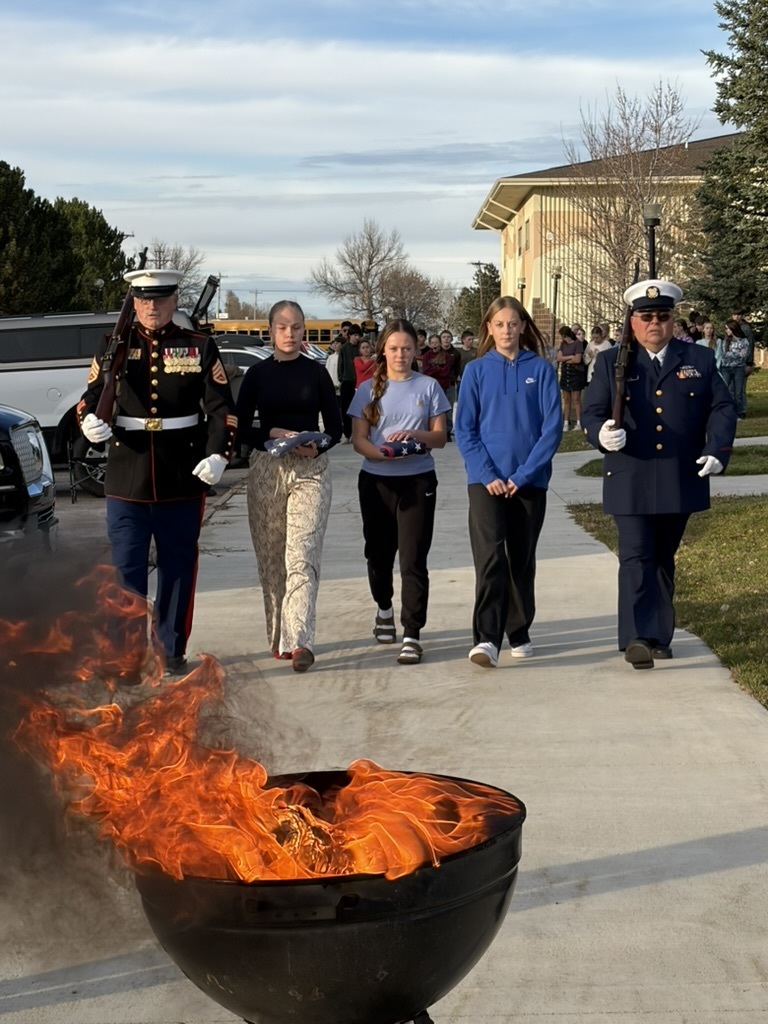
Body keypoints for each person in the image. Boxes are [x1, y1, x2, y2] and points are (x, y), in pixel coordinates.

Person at [78, 268, 238, 678]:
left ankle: (170, 650)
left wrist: (219, 453)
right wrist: (87, 422)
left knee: (177, 568)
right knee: (125, 571)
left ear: (174, 300)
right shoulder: (113, 345)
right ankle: (126, 656)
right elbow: (90, 396)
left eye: (161, 299)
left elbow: (221, 408)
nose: (152, 307)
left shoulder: (199, 345)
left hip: (181, 473)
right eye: (144, 299)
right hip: (126, 473)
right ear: (133, 301)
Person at [581, 279, 737, 670]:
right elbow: (591, 412)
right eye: (646, 316)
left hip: (678, 474)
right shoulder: (612, 361)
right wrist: (601, 434)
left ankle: (659, 636)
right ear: (632, 322)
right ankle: (636, 637)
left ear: (673, 321)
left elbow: (723, 408)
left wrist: (716, 449)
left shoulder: (697, 360)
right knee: (636, 555)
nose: (655, 323)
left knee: (664, 557)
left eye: (663, 317)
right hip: (630, 474)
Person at [455, 296, 563, 668]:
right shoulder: (476, 371)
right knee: (490, 557)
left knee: (522, 558)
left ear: (522, 327)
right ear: (489, 328)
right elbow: (464, 430)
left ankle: (518, 629)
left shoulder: (542, 369)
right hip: (485, 483)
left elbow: (551, 429)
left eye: (512, 324)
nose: (506, 330)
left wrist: (523, 475)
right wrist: (488, 474)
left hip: (529, 482)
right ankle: (486, 638)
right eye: (499, 324)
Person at [235, 300, 343, 673]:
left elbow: (335, 427)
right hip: (268, 468)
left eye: (297, 327)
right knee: (272, 560)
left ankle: (299, 640)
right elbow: (240, 428)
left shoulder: (316, 373)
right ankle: (279, 636)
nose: (290, 333)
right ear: (270, 331)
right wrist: (271, 433)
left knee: (302, 555)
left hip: (310, 470)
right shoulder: (257, 375)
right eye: (283, 327)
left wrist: (318, 444)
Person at [347, 319, 450, 665]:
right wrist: (379, 453)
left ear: (416, 350)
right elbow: (358, 439)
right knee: (378, 557)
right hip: (376, 481)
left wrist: (415, 436)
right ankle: (384, 607)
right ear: (383, 351)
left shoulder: (429, 387)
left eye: (406, 348)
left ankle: (412, 633)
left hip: (418, 480)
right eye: (393, 348)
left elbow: (440, 438)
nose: (400, 354)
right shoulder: (366, 390)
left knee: (413, 559)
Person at [556, 325, 586, 430]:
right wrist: (570, 357)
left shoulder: (578, 343)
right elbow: (559, 358)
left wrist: (567, 360)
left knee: (576, 399)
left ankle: (579, 422)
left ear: (565, 335)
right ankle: (566, 422)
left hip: (576, 372)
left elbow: (577, 360)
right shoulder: (563, 344)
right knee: (567, 399)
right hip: (566, 372)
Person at [720, 320, 751, 419]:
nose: (726, 330)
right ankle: (727, 412)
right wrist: (736, 353)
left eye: (727, 328)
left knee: (738, 392)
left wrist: (731, 354)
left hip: (739, 368)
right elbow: (724, 355)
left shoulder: (744, 341)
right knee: (726, 390)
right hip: (726, 368)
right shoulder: (726, 341)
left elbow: (743, 356)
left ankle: (739, 413)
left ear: (733, 328)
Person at [338, 324, 363, 441]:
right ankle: (347, 433)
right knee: (346, 409)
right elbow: (340, 364)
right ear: (349, 336)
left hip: (359, 382)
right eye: (354, 335)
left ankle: (358, 433)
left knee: (359, 409)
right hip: (347, 381)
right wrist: (341, 378)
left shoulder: (361, 348)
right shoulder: (344, 348)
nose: (356, 338)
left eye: (358, 335)